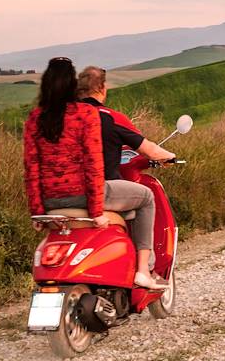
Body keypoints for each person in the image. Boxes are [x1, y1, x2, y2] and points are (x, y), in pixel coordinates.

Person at [23, 58, 172, 291]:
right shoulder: (84, 114)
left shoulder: (35, 118)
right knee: (146, 197)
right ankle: (144, 271)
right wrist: (95, 212)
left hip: (50, 201)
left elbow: (31, 168)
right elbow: (93, 166)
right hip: (86, 196)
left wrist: (37, 212)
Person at [76, 65, 176, 289]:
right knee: (147, 198)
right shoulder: (109, 117)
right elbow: (148, 149)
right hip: (101, 189)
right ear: (102, 88)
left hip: (62, 193)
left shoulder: (63, 118)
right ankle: (144, 270)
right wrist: (169, 156)